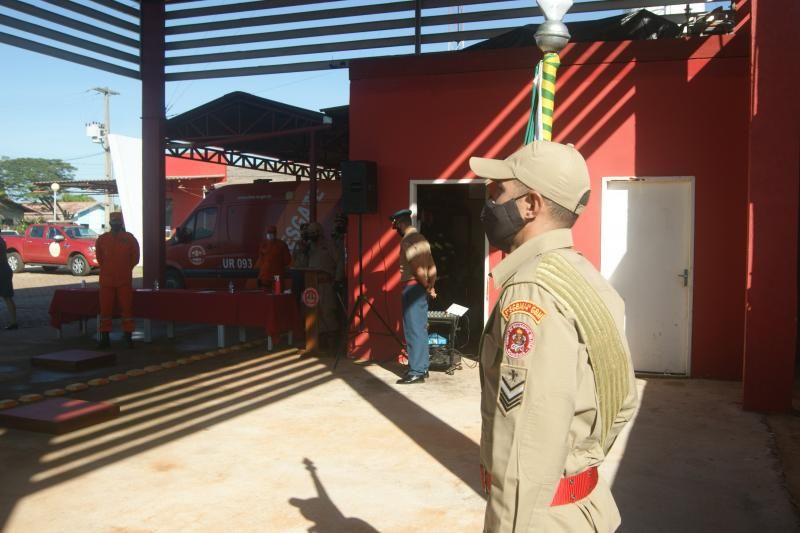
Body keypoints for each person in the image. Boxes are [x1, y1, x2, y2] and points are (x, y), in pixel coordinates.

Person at [469, 140, 638, 532]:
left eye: (498, 192)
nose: (490, 203)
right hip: (582, 505)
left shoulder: (531, 292)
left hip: (537, 519)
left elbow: (522, 452)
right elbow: (623, 401)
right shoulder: (584, 276)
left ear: (531, 205)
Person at [389, 209, 437, 384]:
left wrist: (424, 285)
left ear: (400, 224)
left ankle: (416, 371)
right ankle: (422, 367)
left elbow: (416, 266)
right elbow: (432, 266)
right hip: (421, 287)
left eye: (395, 226)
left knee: (413, 330)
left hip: (412, 287)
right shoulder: (422, 239)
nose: (396, 229)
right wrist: (431, 285)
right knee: (421, 329)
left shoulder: (407, 241)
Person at [95, 211, 140, 349]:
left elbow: (135, 258)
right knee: (105, 310)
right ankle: (105, 338)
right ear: (110, 223)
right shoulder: (102, 239)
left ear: (121, 223)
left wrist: (124, 269)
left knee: (127, 310)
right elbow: (100, 258)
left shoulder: (129, 239)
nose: (115, 225)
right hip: (108, 281)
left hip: (122, 280)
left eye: (117, 222)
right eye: (114, 222)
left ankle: (128, 336)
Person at [295, 221, 340, 351]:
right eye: (310, 233)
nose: (312, 235)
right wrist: (302, 252)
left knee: (327, 312)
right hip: (311, 285)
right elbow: (300, 266)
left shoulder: (329, 245)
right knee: (314, 315)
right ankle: (320, 346)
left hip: (326, 285)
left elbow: (339, 262)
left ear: (319, 232)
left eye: (314, 232)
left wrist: (338, 280)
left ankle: (333, 347)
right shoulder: (308, 247)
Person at [254, 224, 291, 292]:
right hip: (273, 276)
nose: (270, 235)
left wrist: (257, 269)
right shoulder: (281, 245)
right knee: (276, 293)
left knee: (268, 294)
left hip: (267, 276)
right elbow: (287, 261)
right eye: (269, 233)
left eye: (271, 233)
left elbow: (260, 260)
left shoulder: (264, 244)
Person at [0, 235, 18, 330]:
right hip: (5, 270)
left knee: (7, 297)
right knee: (8, 297)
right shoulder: (2, 241)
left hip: (2, 271)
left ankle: (14, 322)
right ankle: (14, 322)